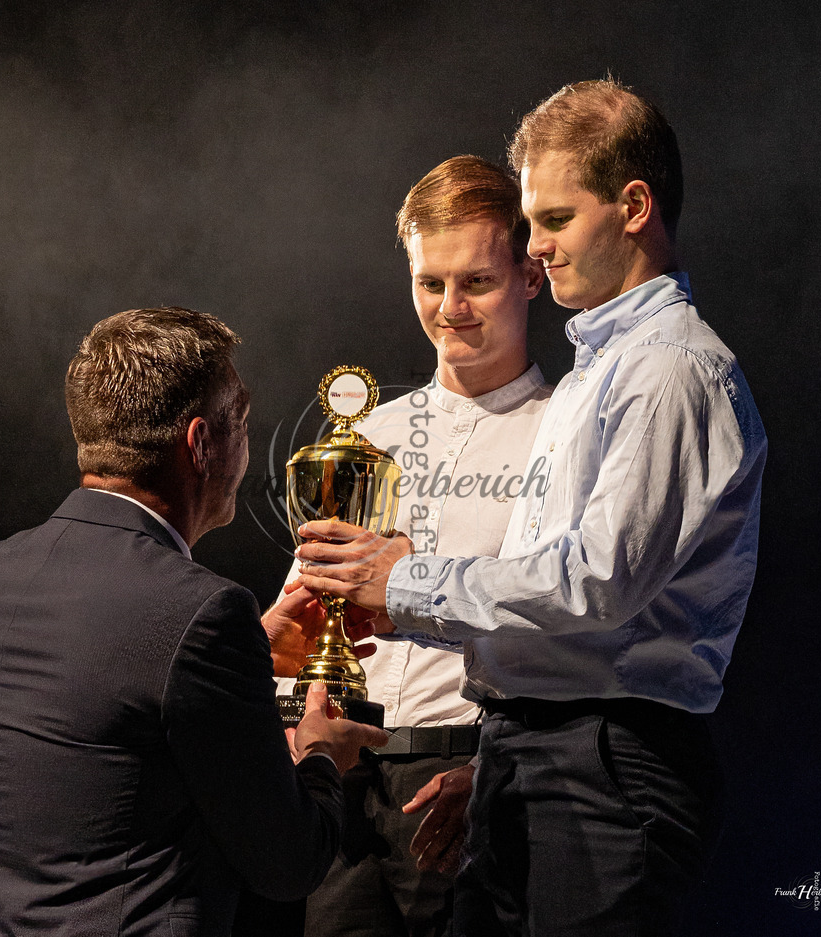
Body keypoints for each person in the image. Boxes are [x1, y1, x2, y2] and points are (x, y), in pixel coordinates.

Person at [294, 79, 768, 936]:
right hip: (536, 745)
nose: (539, 247)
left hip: (603, 753)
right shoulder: (604, 368)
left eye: (553, 220)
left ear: (634, 205)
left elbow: (595, 582)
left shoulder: (666, 372)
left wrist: (409, 585)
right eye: (429, 281)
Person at [0, 307, 387, 937]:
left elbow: (96, 743)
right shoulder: (201, 612)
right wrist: (322, 758)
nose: (247, 447)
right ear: (199, 444)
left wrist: (247, 651)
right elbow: (288, 862)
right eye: (243, 423)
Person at [274, 155, 550, 937]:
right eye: (431, 283)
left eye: (477, 282)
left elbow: (565, 625)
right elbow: (303, 618)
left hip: (463, 772)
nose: (450, 307)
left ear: (532, 275)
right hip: (343, 774)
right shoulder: (366, 437)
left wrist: (494, 770)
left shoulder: (563, 432)